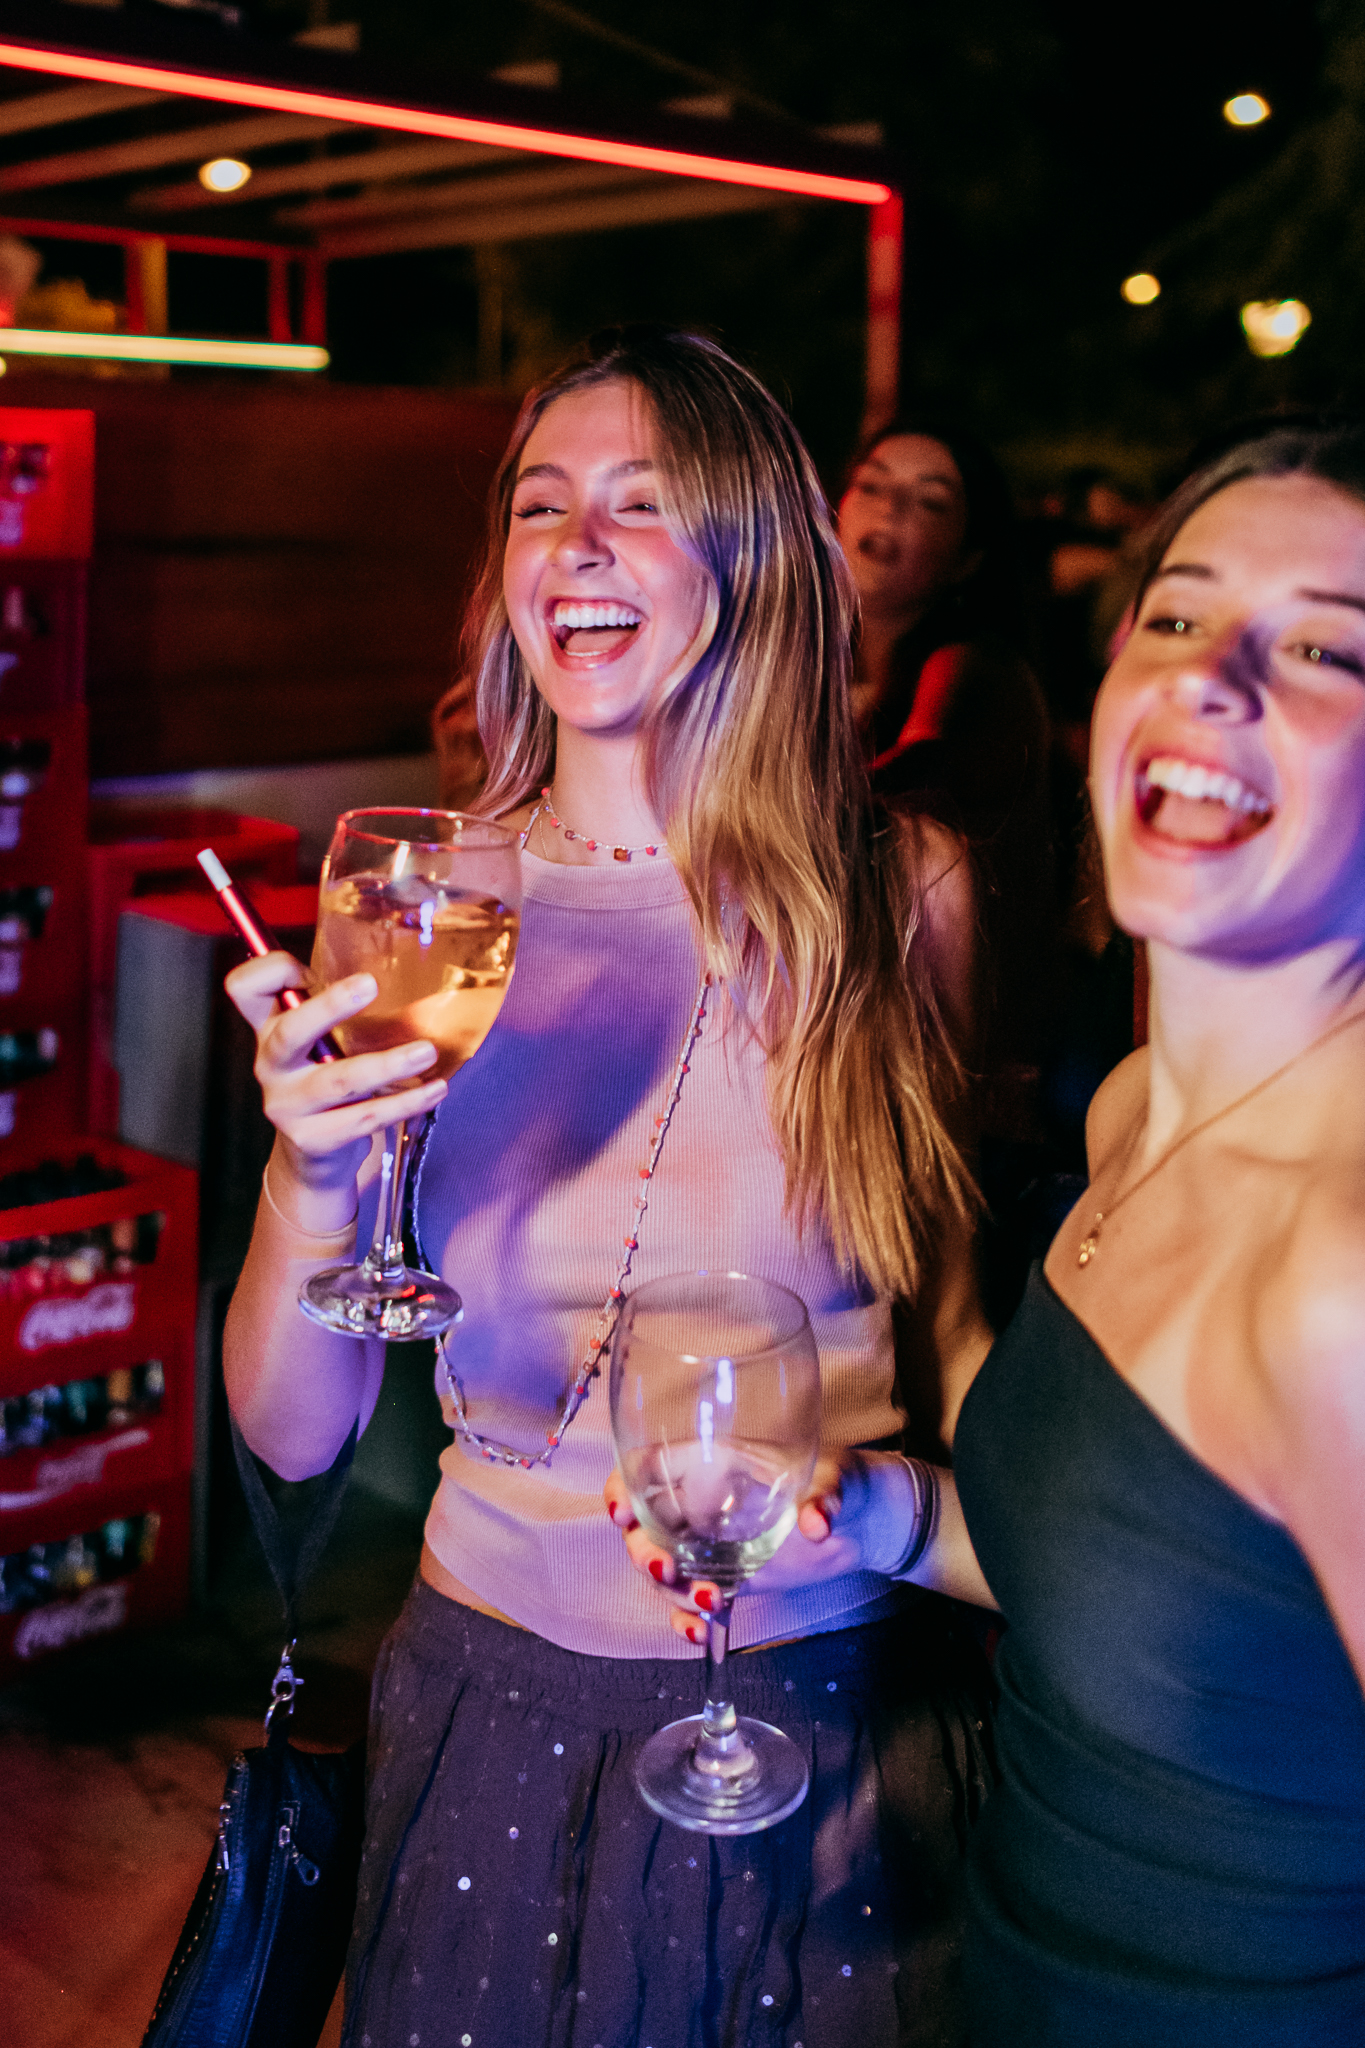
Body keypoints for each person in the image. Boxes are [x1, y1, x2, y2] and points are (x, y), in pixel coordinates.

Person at [221, 327, 996, 2048]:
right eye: (537, 503)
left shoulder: (901, 895)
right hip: (488, 1697)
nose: (572, 544)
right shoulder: (426, 911)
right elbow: (293, 1436)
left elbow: (953, 1326)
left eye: (639, 504)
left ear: (753, 555)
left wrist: (1000, 1552)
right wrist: (310, 1177)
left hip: (827, 1711)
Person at [948, 418, 1365, 2042]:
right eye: (1177, 614)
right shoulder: (1129, 1110)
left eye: (1325, 648)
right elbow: (1197, 1623)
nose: (1207, 675)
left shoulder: (1340, 1276)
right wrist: (880, 1527)